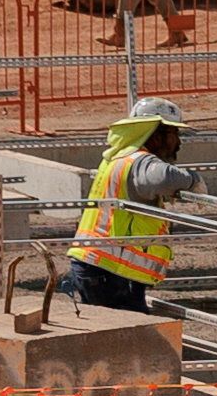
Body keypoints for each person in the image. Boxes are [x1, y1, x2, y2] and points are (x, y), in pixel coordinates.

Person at [62, 101, 196, 316]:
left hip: (99, 264)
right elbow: (165, 177)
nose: (178, 142)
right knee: (127, 338)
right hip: (110, 270)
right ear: (155, 134)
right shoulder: (140, 161)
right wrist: (192, 180)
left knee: (109, 335)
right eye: (174, 133)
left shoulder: (118, 158)